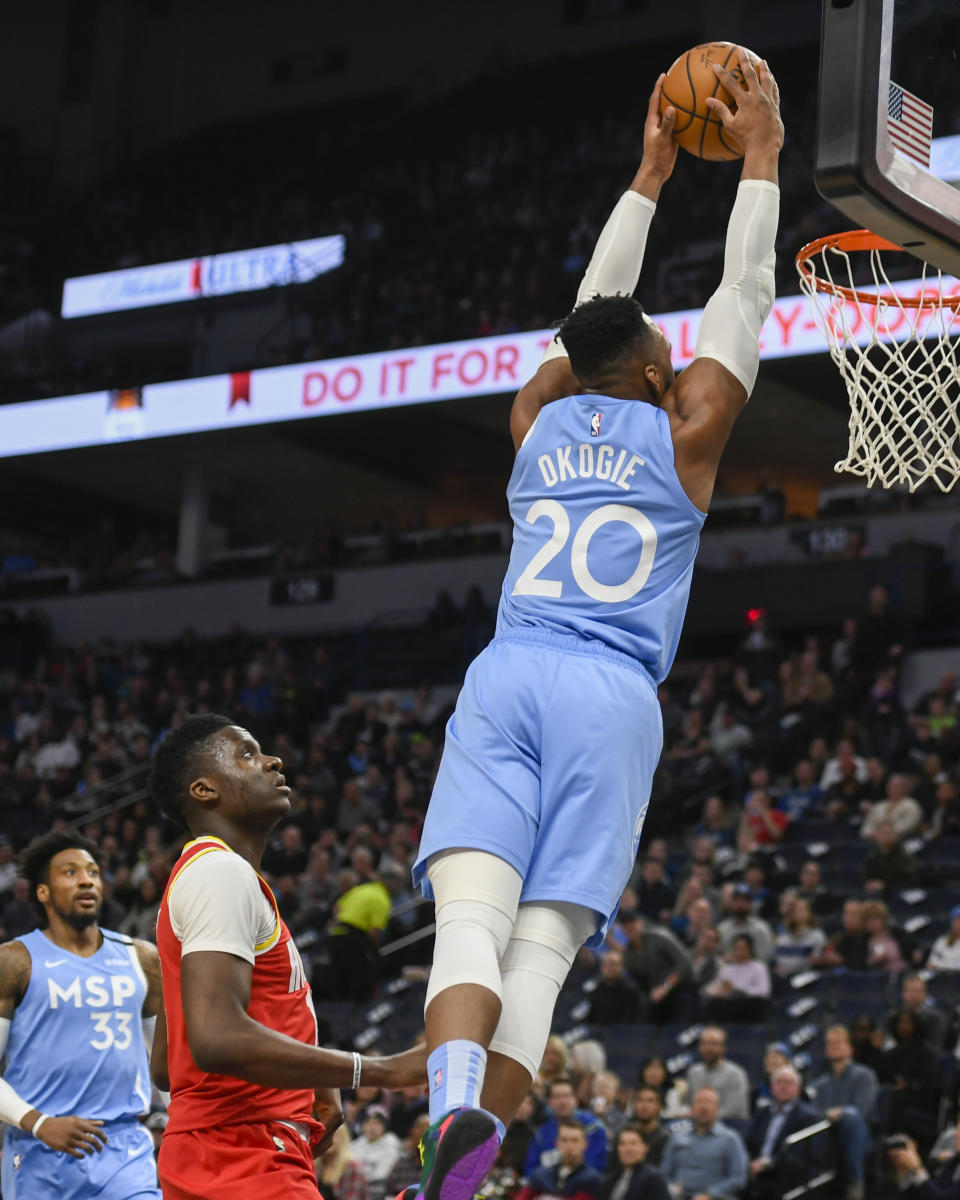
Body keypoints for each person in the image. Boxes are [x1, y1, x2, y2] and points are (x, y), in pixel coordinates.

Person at [405, 53, 782, 1200]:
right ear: (665, 374)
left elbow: (582, 327)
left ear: (576, 373)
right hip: (612, 694)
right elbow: (746, 295)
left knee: (467, 921)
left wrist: (648, 176)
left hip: (509, 670)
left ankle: (447, 1107)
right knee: (545, 951)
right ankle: (466, 1173)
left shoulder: (533, 419)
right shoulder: (691, 430)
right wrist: (760, 157)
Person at [147, 714, 425, 1200]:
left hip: (222, 1150)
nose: (273, 760)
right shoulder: (220, 874)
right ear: (204, 790)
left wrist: (313, 1082)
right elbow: (215, 1039)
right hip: (242, 1149)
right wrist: (377, 1070)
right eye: (247, 754)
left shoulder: (209, 876)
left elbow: (169, 1067)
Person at [0, 830, 163, 1200]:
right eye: (70, 872)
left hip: (125, 1148)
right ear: (43, 892)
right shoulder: (14, 960)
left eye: (91, 871)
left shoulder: (142, 958)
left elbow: (167, 1062)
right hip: (40, 1148)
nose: (86, 879)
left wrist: (183, 1124)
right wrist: (39, 1124)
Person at [808, 1025, 877, 1200]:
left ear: (850, 1048)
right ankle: (812, 1180)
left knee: (851, 1119)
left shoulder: (865, 1075)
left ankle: (855, 1180)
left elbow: (862, 1111)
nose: (834, 1047)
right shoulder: (819, 1083)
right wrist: (831, 1114)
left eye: (839, 1043)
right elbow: (813, 1112)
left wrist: (842, 1112)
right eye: (830, 1043)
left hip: (858, 1136)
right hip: (825, 1134)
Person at [744, 1066, 822, 1199]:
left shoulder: (808, 1117)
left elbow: (800, 1152)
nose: (783, 1087)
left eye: (789, 1083)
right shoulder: (762, 1112)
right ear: (772, 1087)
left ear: (798, 1088)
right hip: (756, 1170)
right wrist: (749, 1162)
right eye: (779, 1082)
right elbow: (749, 1141)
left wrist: (768, 1163)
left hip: (785, 1173)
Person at [660, 1087, 749, 1200]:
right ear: (692, 1108)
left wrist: (710, 1195)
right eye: (699, 1102)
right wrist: (670, 1188)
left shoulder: (730, 1139)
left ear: (717, 1108)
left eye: (709, 1102)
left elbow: (739, 1178)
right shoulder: (677, 1137)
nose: (703, 1107)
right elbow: (664, 1173)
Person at [525, 1077, 608, 1175]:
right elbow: (531, 1170)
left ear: (575, 1099)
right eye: (556, 1097)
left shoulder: (595, 1129)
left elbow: (597, 1167)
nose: (562, 1102)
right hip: (547, 1187)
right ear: (549, 1102)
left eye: (566, 1096)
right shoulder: (541, 1134)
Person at [516, 1119, 604, 1200]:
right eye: (564, 1140)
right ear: (557, 1143)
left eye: (575, 1140)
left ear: (585, 1144)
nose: (569, 1146)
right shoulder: (540, 1176)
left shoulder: (592, 1181)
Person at [703, 932, 771, 1022]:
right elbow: (716, 986)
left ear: (750, 950)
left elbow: (764, 991)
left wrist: (736, 990)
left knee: (751, 1003)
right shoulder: (727, 968)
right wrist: (718, 990)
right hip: (727, 1005)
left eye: (742, 949)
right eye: (736, 948)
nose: (739, 952)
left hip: (748, 1005)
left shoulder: (758, 967)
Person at [685, 1028, 750, 1120]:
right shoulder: (693, 1072)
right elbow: (689, 1104)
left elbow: (734, 1110)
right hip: (698, 1127)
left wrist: (703, 1117)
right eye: (705, 1043)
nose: (709, 1048)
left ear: (724, 1048)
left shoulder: (736, 1074)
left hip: (729, 1125)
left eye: (714, 1044)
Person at [598, 1124, 670, 1200]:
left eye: (633, 1143)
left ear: (645, 1148)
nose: (628, 1149)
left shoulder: (653, 1179)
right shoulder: (610, 1180)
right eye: (622, 1143)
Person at [889, 1129, 960, 1198]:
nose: (956, 1135)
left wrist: (916, 1169)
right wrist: (905, 1168)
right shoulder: (955, 1159)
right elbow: (921, 1193)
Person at [587, 950, 641, 1025]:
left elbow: (630, 1019)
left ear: (622, 967)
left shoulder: (630, 990)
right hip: (595, 1032)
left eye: (613, 964)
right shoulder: (595, 989)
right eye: (605, 964)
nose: (608, 968)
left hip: (621, 1033)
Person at [629, 1085, 671, 1166]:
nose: (644, 1106)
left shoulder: (665, 1139)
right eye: (640, 1100)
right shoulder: (624, 1135)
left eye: (650, 1101)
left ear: (660, 1107)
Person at [928, 907, 960, 971]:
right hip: (942, 978)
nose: (958, 923)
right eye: (957, 919)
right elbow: (931, 964)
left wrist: (940, 965)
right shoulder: (942, 941)